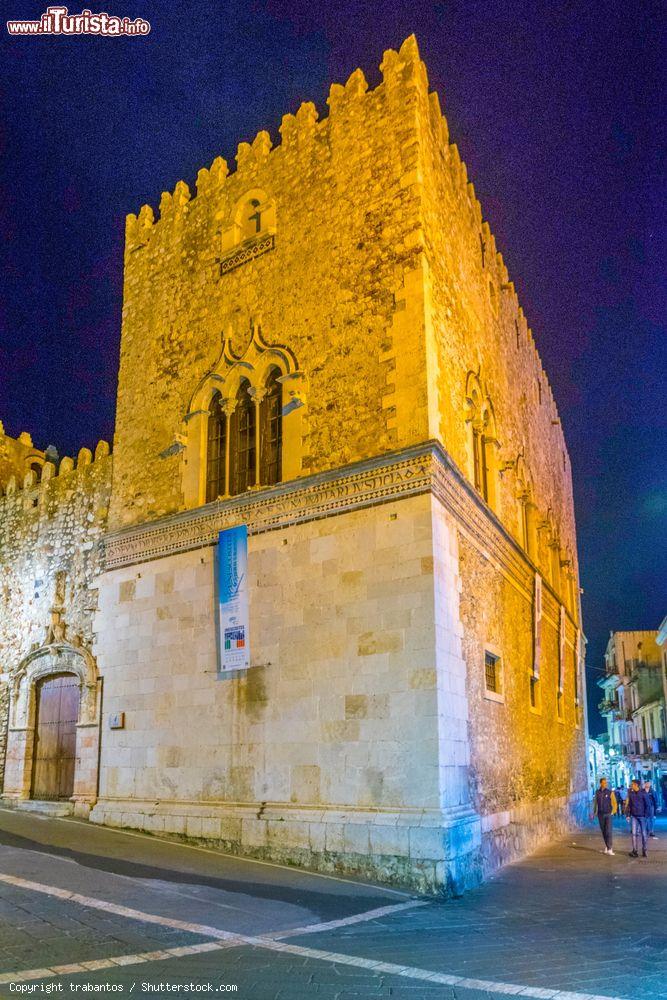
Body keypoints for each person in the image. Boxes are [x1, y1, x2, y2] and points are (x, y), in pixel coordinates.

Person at [625, 778, 651, 857]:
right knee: (633, 834)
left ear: (636, 785)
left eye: (632, 784)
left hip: (642, 816)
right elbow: (629, 805)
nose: (631, 785)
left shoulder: (643, 793)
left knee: (643, 834)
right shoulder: (631, 793)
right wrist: (628, 815)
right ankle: (635, 851)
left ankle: (644, 850)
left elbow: (648, 805)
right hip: (634, 816)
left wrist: (646, 816)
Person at [592, 777, 617, 854]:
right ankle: (607, 846)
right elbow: (595, 803)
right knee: (603, 831)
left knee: (608, 831)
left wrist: (613, 811)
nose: (605, 784)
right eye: (603, 783)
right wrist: (594, 812)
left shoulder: (610, 792)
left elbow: (614, 803)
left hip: (608, 814)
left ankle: (610, 848)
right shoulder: (597, 792)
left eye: (606, 783)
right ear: (600, 783)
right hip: (600, 814)